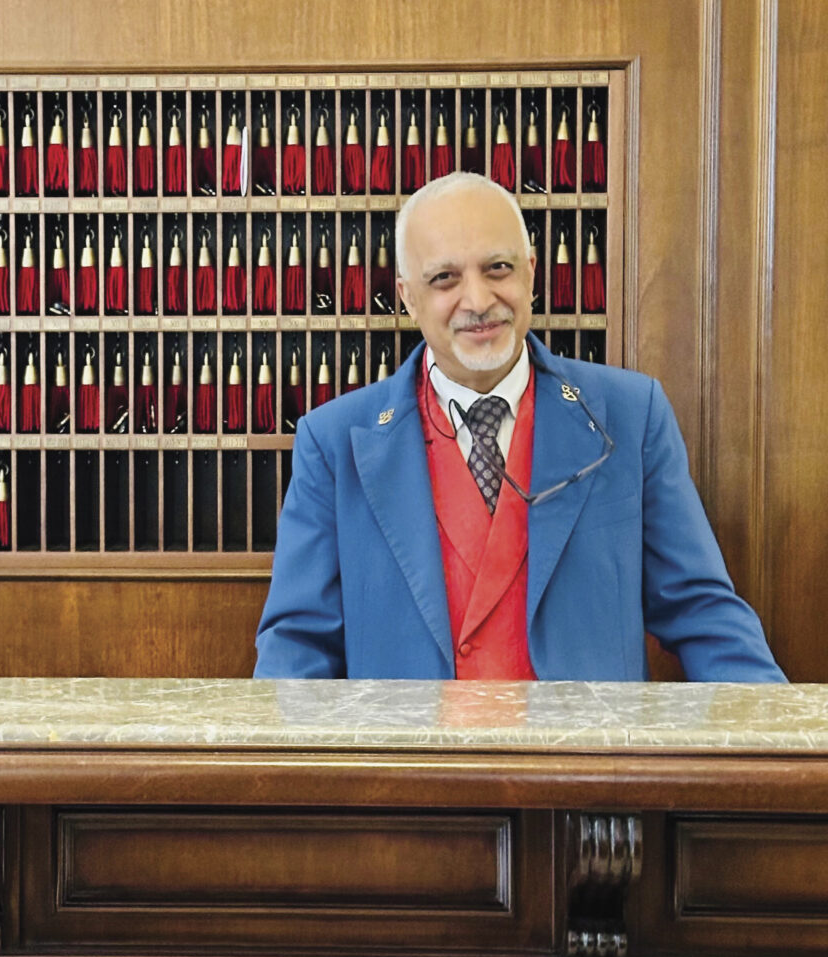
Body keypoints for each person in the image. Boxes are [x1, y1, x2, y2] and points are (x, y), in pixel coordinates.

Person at [255, 173, 785, 682]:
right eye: (444, 278)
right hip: (412, 768)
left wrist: (780, 739)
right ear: (407, 296)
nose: (479, 301)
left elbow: (702, 612)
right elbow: (297, 646)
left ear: (532, 272)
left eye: (498, 268)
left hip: (587, 767)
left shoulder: (630, 413)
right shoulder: (333, 441)